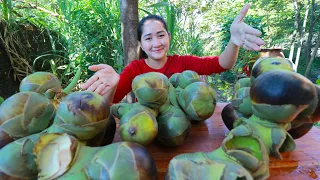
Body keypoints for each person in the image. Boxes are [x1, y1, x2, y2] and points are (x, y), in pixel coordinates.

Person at [81, 4, 265, 105]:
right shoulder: (135, 69)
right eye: (148, 38)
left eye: (161, 35)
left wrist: (233, 42)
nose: (156, 43)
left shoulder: (183, 62)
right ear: (141, 45)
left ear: (168, 37)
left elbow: (221, 64)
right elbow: (111, 102)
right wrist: (112, 85)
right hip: (147, 132)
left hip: (183, 131)